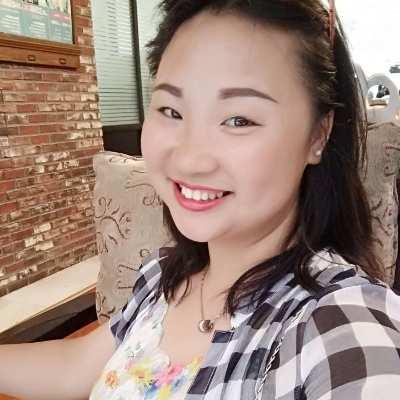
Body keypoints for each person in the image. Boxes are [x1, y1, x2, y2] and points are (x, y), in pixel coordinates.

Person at [1, 0, 400, 399]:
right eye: (171, 110)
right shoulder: (162, 277)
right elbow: (78, 366)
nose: (190, 159)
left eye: (238, 120)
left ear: (318, 134)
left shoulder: (337, 322)